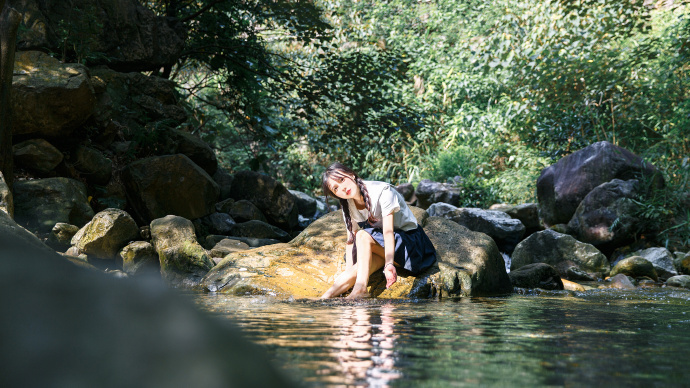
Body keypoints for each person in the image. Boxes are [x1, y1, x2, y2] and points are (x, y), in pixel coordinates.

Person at [320, 162, 437, 299]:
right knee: (359, 267)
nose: (342, 188)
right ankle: (323, 298)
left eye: (342, 180)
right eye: (336, 188)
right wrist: (349, 270)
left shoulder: (382, 191)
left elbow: (387, 232)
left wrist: (388, 265)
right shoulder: (348, 204)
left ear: (351, 174)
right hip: (385, 246)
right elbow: (350, 241)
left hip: (410, 246)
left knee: (362, 236)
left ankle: (361, 289)